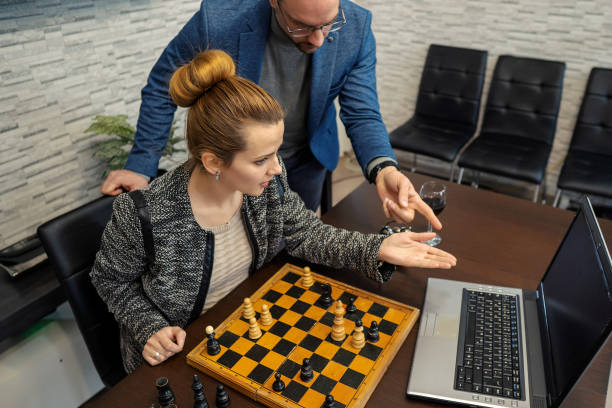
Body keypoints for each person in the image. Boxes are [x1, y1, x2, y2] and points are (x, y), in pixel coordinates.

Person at [91, 50, 456, 374]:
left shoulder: (264, 186)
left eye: (276, 153)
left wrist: (374, 248)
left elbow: (306, 234)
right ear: (213, 161)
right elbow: (110, 280)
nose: (278, 169)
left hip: (247, 328)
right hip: (178, 358)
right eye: (261, 159)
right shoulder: (142, 214)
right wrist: (148, 326)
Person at [100, 0, 441, 230]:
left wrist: (384, 168)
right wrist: (141, 164)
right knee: (238, 251)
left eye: (328, 24)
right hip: (236, 168)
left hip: (307, 161)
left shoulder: (356, 26)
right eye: (302, 27)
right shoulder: (218, 20)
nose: (319, 40)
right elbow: (163, 85)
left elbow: (363, 111)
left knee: (294, 242)